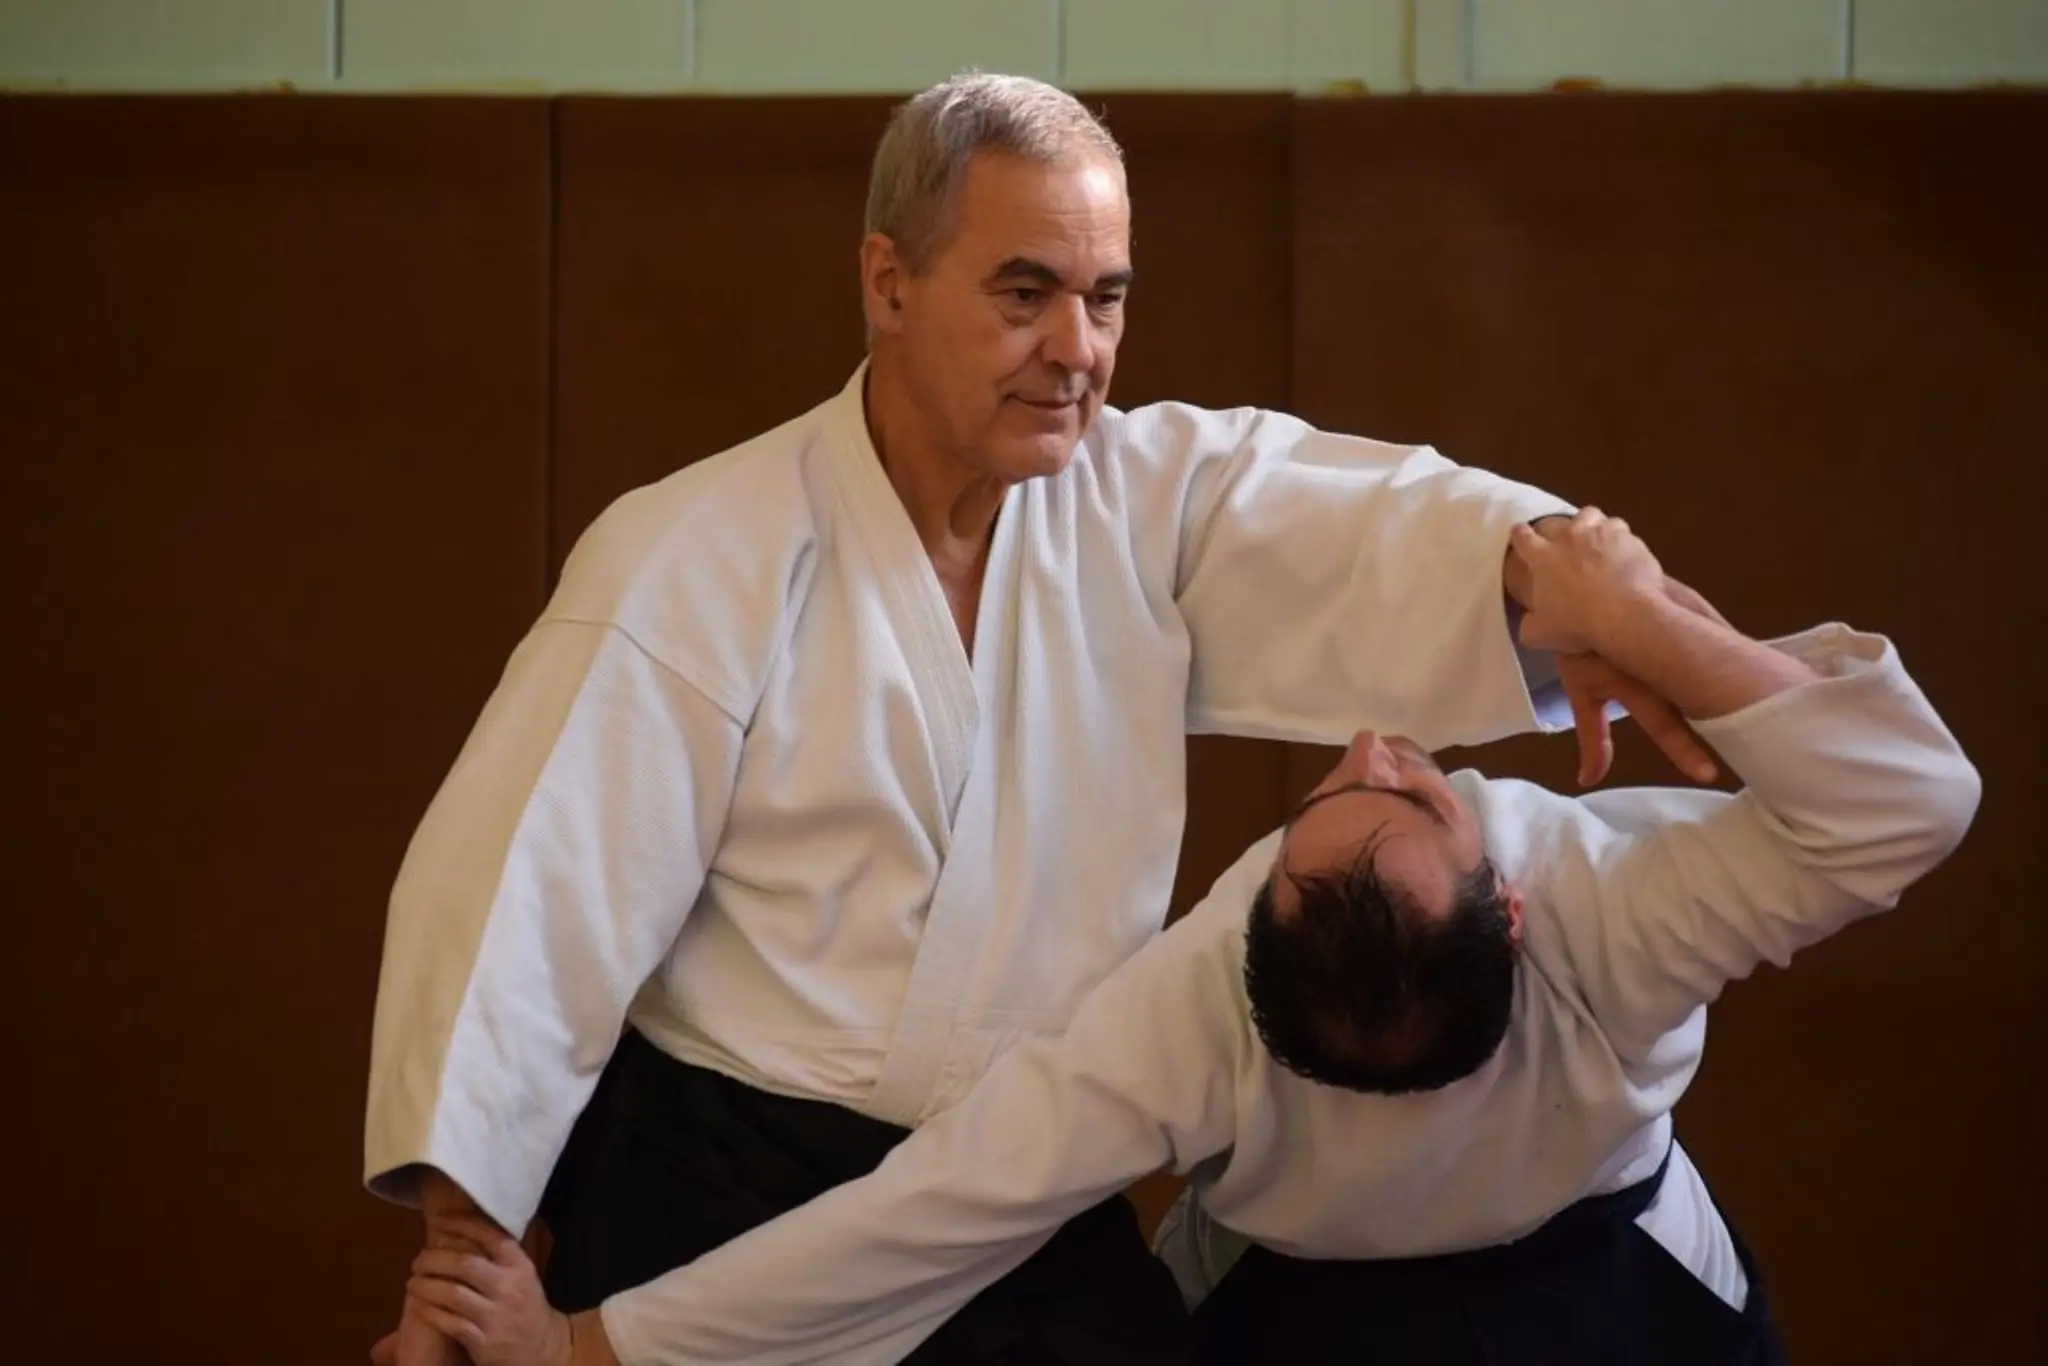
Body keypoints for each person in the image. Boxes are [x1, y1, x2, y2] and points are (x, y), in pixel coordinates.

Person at [363, 71, 1721, 1366]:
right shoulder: (692, 554)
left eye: (1105, 298)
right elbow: (528, 907)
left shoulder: (1145, 501)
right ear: (887, 281)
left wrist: (1565, 580)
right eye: (1026, 293)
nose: (1078, 349)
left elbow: (1366, 520)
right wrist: (458, 1258)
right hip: (725, 1183)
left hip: (1021, 1193)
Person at [395, 509, 1980, 1366]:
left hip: (1609, 1303)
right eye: (1378, 790)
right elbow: (1906, 792)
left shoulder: (1245, 991)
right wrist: (1644, 624)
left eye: (1381, 790)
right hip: (1316, 1320)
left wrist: (593, 1347)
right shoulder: (1599, 907)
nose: (1371, 742)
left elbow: (927, 1214)